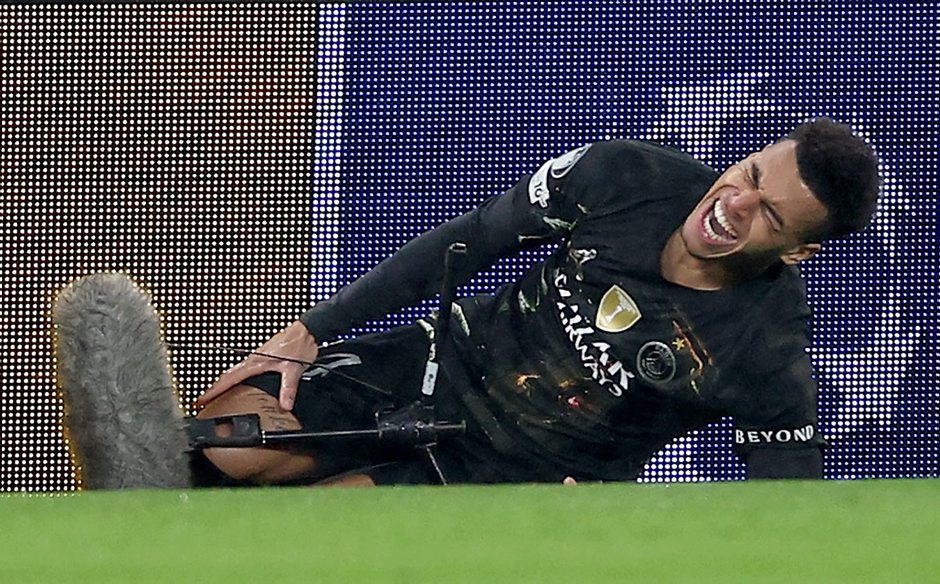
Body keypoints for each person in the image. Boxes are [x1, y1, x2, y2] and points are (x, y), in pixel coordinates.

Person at [56, 117, 880, 488]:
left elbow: (785, 511)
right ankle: (140, 481)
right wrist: (309, 330)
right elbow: (472, 239)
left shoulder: (769, 351)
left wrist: (601, 527)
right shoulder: (623, 176)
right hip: (437, 366)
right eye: (749, 174)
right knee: (227, 445)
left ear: (797, 251)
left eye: (770, 216)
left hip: (520, 476)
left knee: (311, 537)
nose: (735, 204)